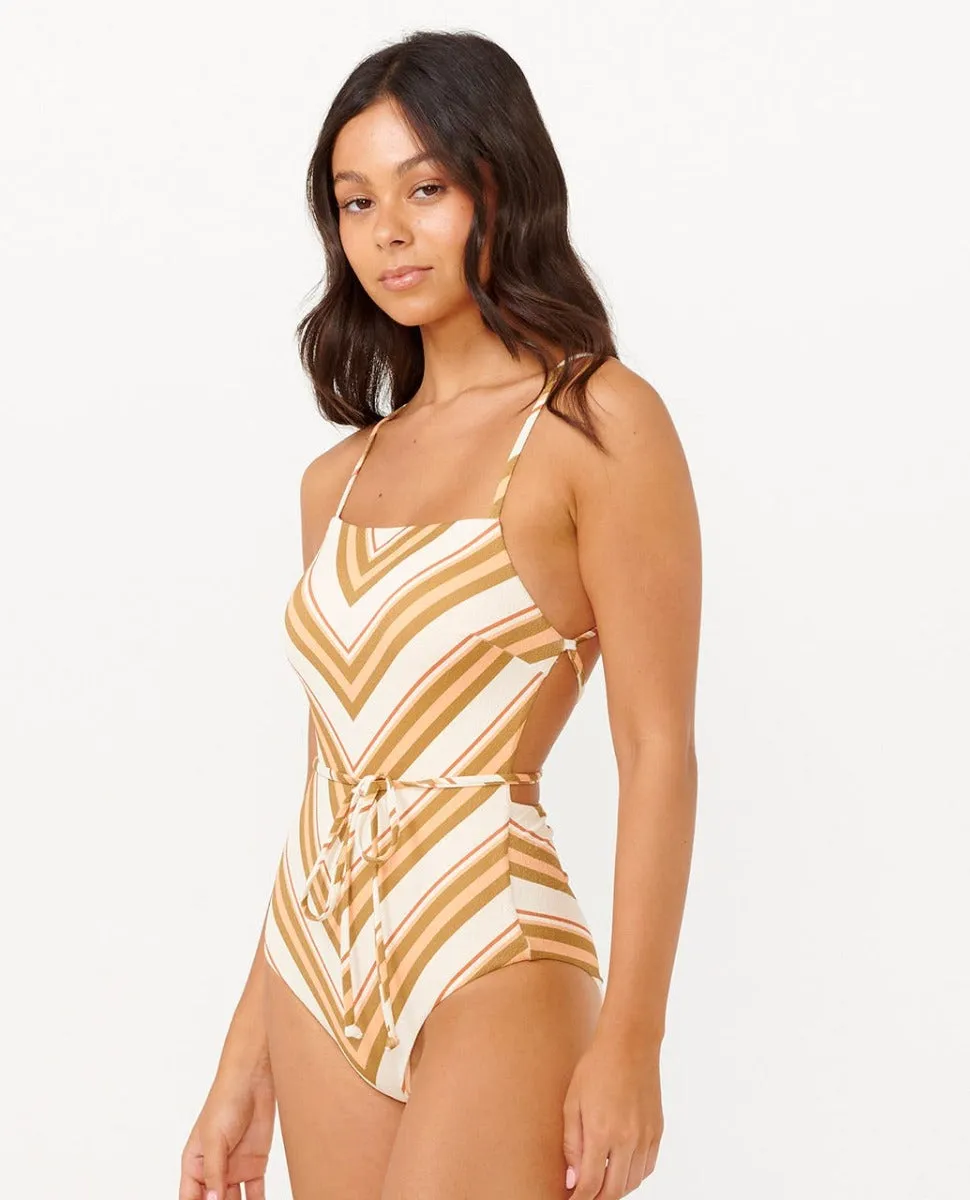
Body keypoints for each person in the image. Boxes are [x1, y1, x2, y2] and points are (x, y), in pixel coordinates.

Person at [180, 28, 701, 1200]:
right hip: (313, 959)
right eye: (356, 201)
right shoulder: (337, 479)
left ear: (499, 188)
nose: (388, 231)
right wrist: (242, 1059)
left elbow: (656, 745)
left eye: (425, 189)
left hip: (488, 941)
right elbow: (330, 774)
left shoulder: (597, 423)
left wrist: (633, 1038)